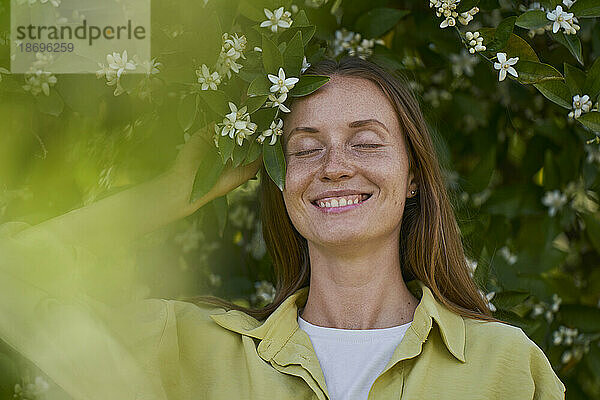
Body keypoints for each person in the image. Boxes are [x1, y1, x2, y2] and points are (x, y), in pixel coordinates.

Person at [0, 57, 566, 400]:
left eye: (366, 143)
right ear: (281, 182)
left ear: (414, 174)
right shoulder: (192, 352)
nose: (335, 165)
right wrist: (180, 189)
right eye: (305, 149)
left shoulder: (503, 366)